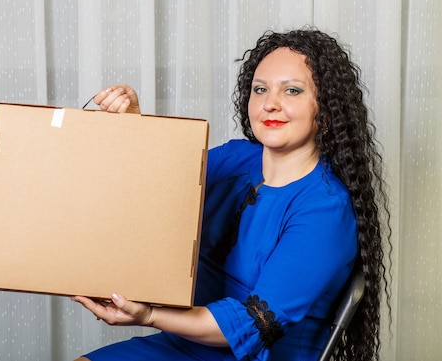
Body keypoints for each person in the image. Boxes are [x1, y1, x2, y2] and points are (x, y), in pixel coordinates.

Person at [72, 28, 391, 361]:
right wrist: (134, 127)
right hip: (186, 342)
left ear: (325, 111)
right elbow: (154, 193)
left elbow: (254, 326)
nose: (270, 103)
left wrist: (148, 315)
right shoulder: (235, 158)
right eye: (260, 89)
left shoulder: (325, 209)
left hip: (260, 354)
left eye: (292, 91)